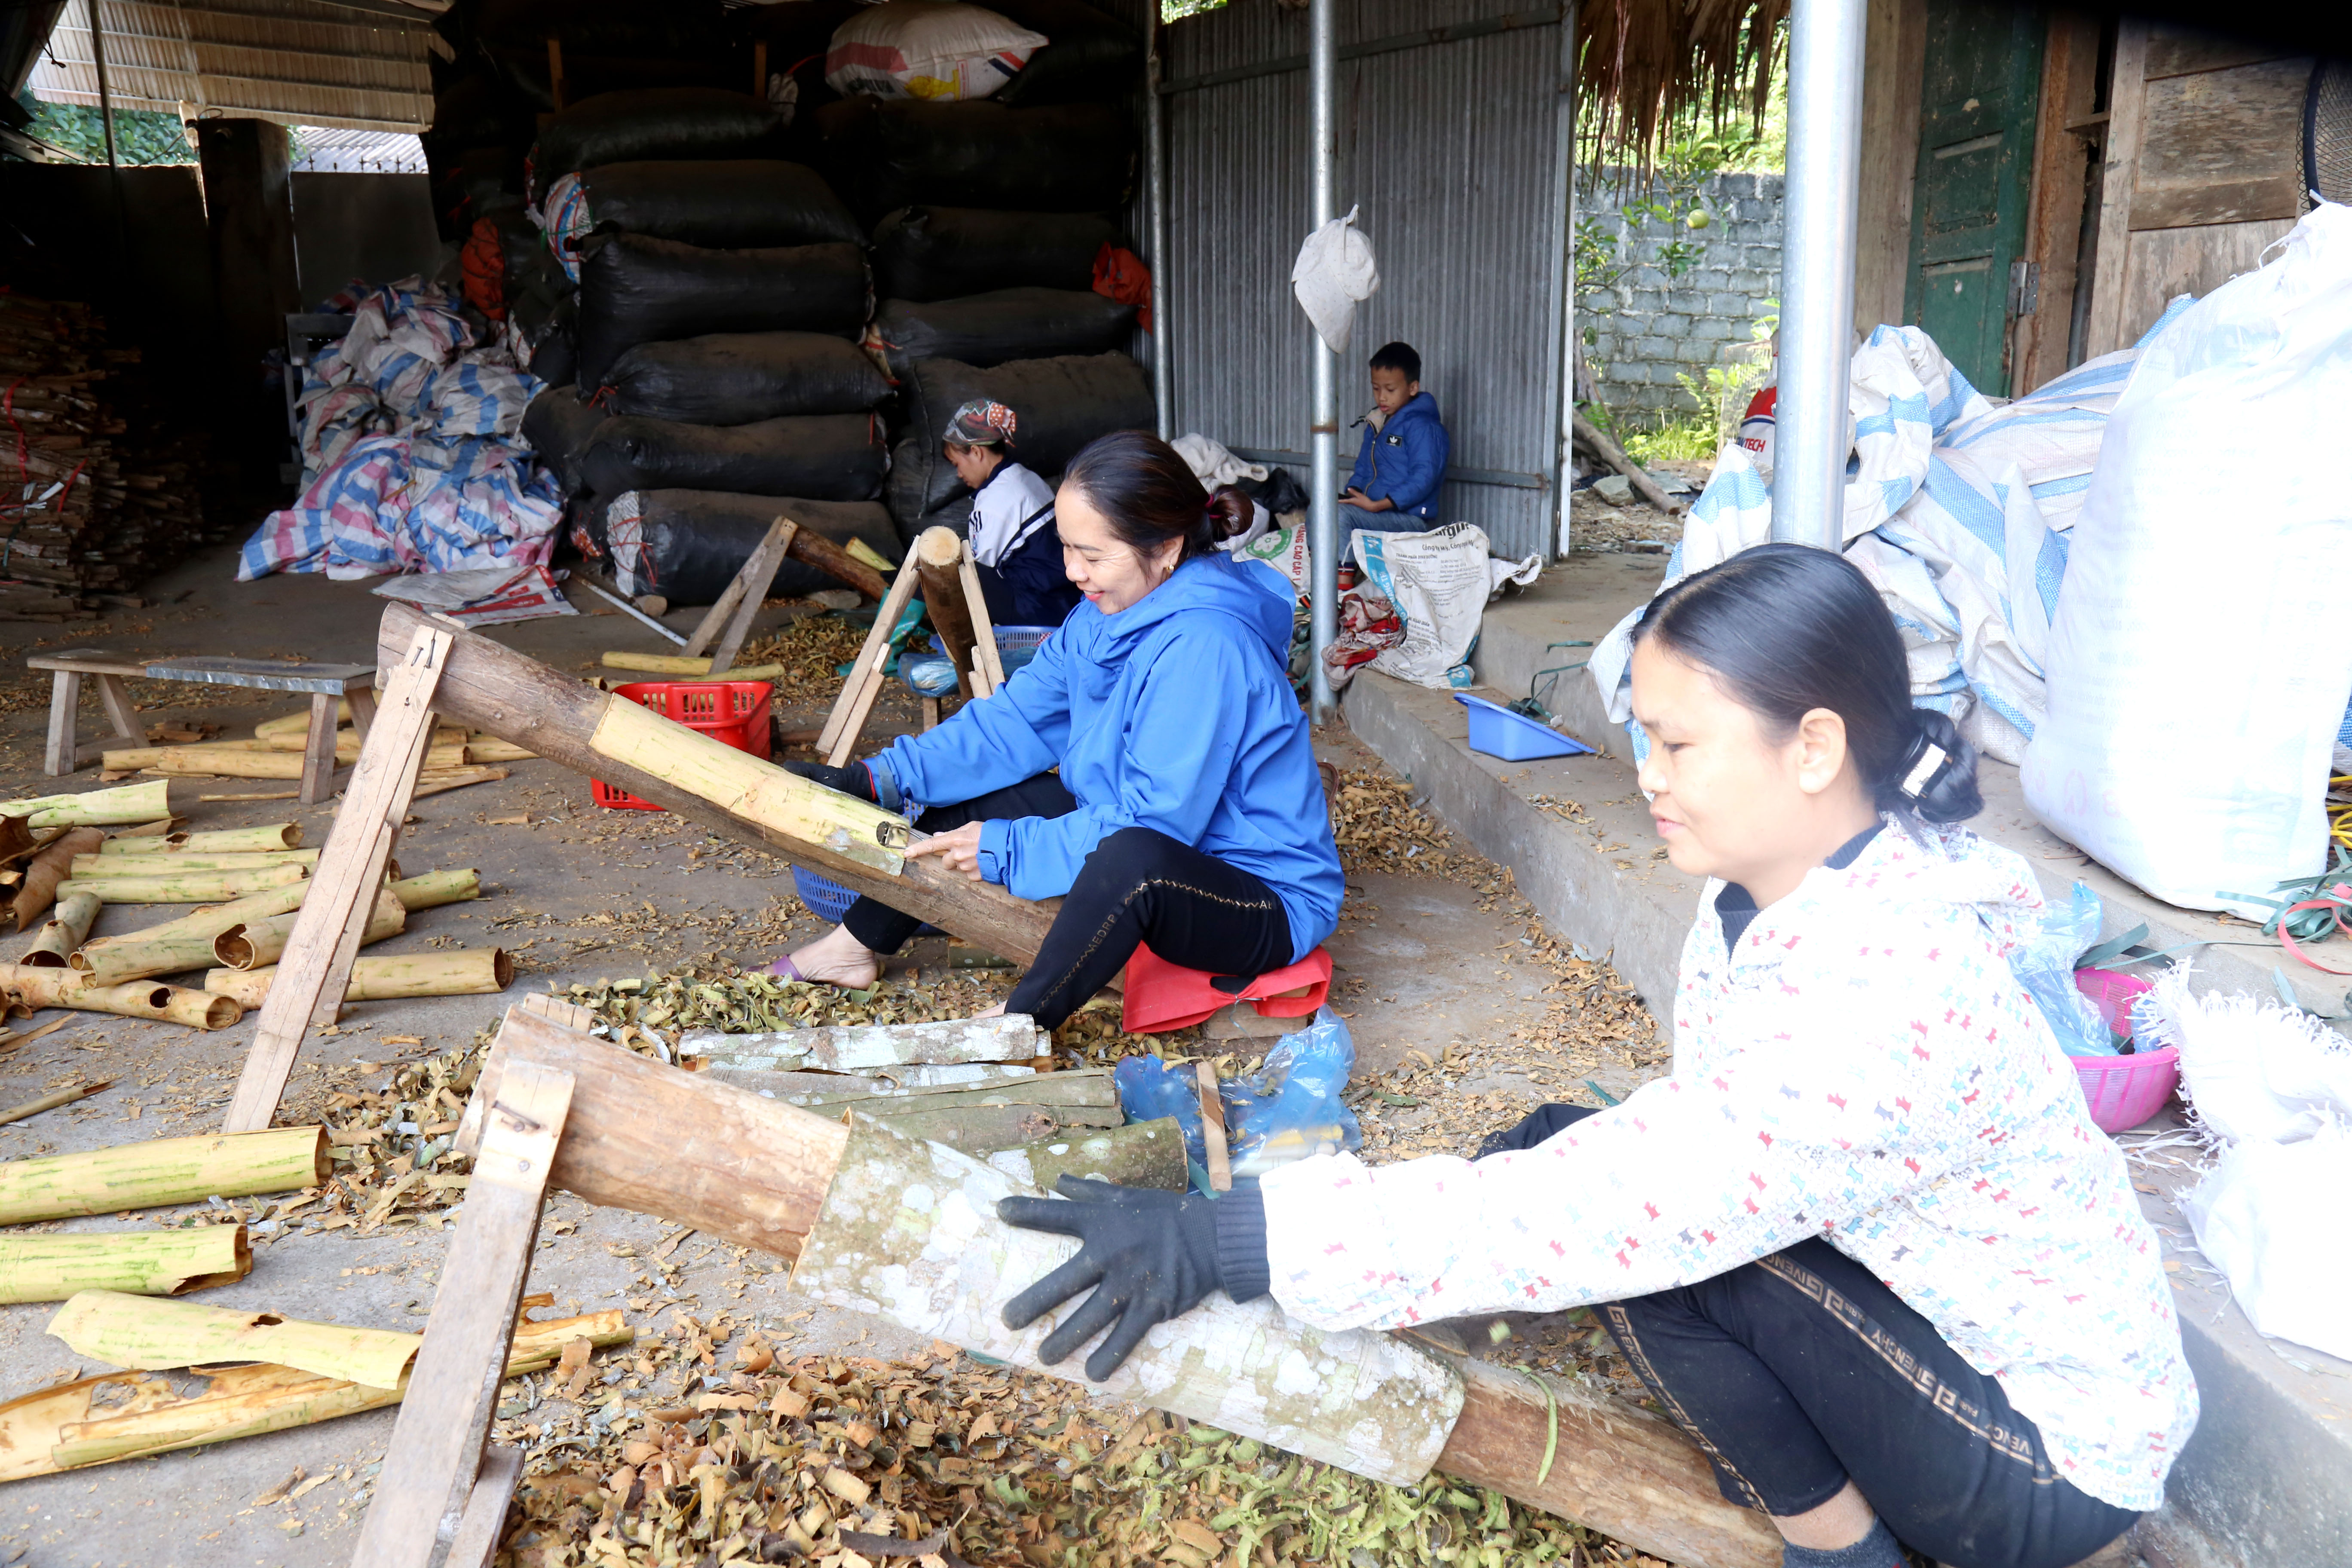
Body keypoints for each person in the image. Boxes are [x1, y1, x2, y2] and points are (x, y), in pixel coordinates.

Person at [995, 544, 2196, 1568]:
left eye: (1677, 745)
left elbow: (1631, 1204)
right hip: (1944, 1330)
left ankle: (1844, 1551)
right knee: (1573, 1151)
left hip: (2045, 1457)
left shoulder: (1886, 986)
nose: (1648, 779)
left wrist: (1238, 1238)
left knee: (1669, 1256)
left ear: (1815, 748)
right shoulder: (1771, 892)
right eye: (1646, 741)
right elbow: (1663, 1150)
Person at [768, 429, 1343, 1033]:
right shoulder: (1102, 617)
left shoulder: (1207, 645)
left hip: (1253, 895)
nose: (1073, 572)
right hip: (1166, 833)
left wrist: (1003, 849)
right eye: (1067, 548)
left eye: (1093, 556)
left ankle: (1023, 1020)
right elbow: (1011, 724)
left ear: (1168, 548)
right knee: (965, 805)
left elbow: (1157, 824)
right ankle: (854, 944)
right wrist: (877, 778)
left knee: (1129, 863)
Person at [940, 398, 1082, 628]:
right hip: (1068, 601)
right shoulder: (1026, 477)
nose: (959, 474)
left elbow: (979, 568)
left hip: (1039, 611)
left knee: (965, 572)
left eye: (957, 464)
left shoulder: (993, 502)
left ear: (976, 452)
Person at [1341, 340, 1449, 529]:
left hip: (1408, 520)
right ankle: (1328, 559)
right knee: (1320, 510)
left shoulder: (1424, 427)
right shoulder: (1377, 424)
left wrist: (1378, 506)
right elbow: (1362, 470)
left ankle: (1345, 561)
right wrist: (1352, 494)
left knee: (1339, 518)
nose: (1382, 397)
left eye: (1390, 390)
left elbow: (1424, 478)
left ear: (1413, 388)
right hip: (1375, 513)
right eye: (1376, 388)